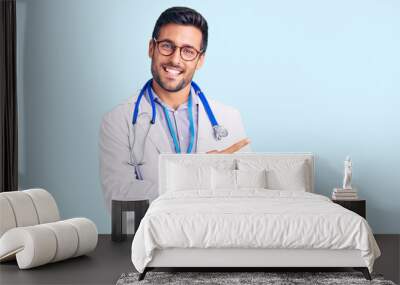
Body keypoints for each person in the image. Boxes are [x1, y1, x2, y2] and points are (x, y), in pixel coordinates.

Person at [99, 7, 251, 212]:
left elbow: (245, 193)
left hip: (214, 236)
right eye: (167, 46)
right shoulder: (119, 121)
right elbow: (118, 200)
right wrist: (200, 175)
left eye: (188, 51)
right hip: (152, 240)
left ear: (200, 60)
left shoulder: (229, 119)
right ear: (151, 48)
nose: (175, 59)